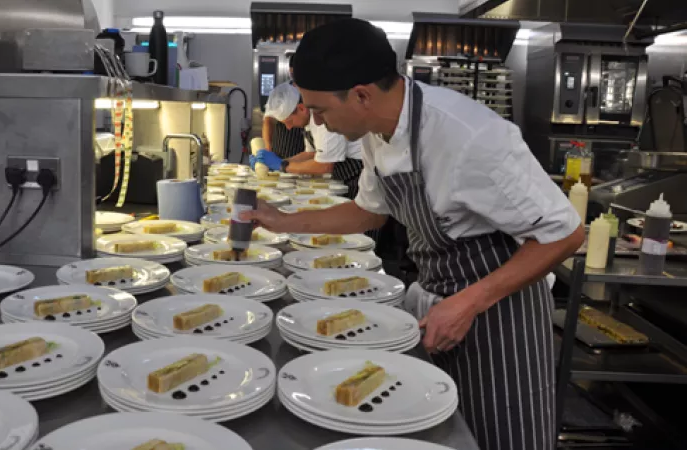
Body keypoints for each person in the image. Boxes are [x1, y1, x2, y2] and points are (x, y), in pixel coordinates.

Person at [242, 19, 585, 450]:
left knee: (501, 435)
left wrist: (467, 303)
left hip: (501, 315)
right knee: (440, 435)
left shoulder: (468, 135)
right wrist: (284, 221)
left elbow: (566, 234)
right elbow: (368, 212)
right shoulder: (374, 132)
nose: (319, 125)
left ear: (363, 95)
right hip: (439, 302)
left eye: (322, 111)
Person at [252, 82, 364, 200]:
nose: (289, 128)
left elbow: (325, 166)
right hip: (343, 176)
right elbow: (311, 154)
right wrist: (278, 162)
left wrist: (283, 166)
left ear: (301, 108)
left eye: (289, 122)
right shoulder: (308, 120)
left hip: (357, 175)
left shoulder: (323, 120)